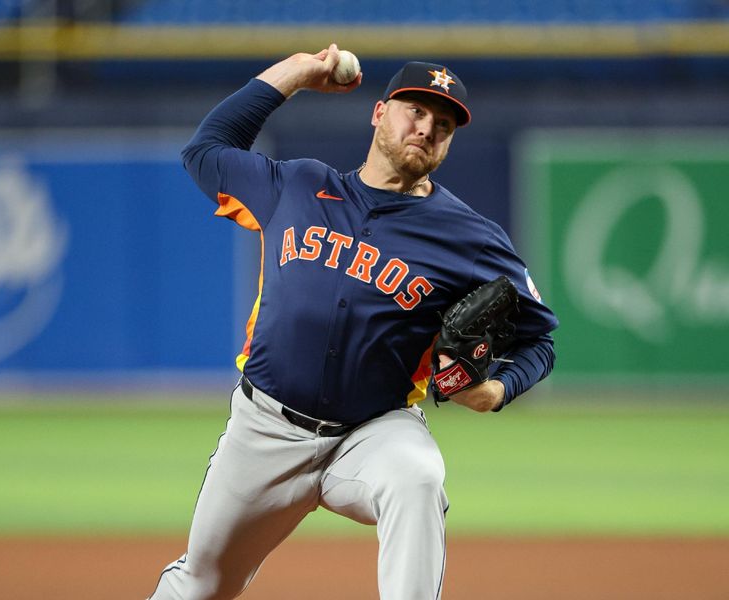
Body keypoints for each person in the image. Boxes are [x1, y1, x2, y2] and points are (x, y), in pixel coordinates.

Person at [148, 44, 558, 600]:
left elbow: (539, 337)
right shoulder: (294, 186)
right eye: (415, 110)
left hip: (373, 432)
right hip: (264, 429)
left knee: (417, 476)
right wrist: (293, 74)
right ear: (379, 112)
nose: (427, 128)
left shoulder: (472, 238)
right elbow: (205, 151)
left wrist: (497, 389)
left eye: (443, 123)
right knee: (200, 584)